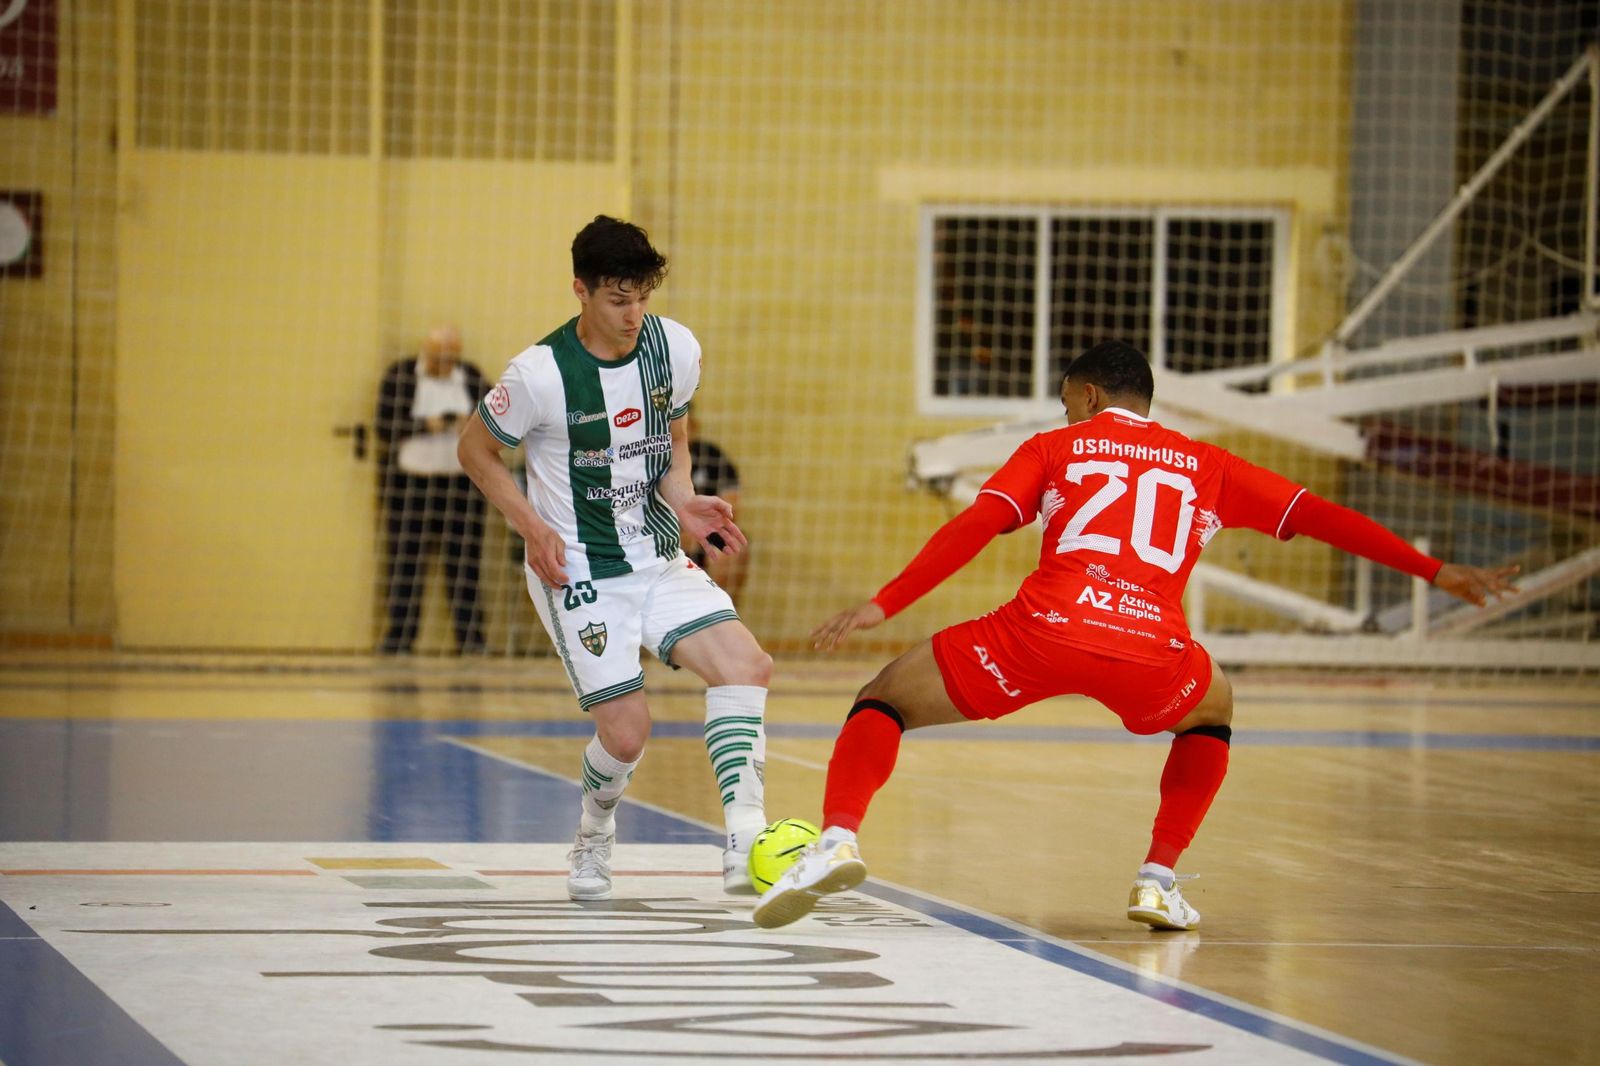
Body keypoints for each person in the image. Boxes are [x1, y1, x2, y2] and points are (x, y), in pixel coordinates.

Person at [753, 340, 1520, 931]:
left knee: (882, 699)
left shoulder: (1056, 448)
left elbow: (978, 525)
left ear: (1087, 396)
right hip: (1152, 649)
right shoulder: (1204, 463)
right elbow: (1322, 515)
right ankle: (1158, 877)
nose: (1062, 416)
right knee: (1213, 711)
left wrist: (885, 603)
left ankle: (838, 841)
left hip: (1038, 633)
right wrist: (1432, 568)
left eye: (1064, 404)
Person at [457, 215, 771, 900]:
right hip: (579, 569)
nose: (633, 315)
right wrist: (531, 526)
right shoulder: (538, 374)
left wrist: (683, 498)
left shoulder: (674, 349)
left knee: (748, 665)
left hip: (656, 554)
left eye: (643, 298)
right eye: (617, 300)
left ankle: (747, 841)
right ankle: (593, 834)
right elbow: (474, 450)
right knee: (627, 736)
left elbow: (675, 441)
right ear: (581, 290)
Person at [375, 323, 489, 655]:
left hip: (460, 488)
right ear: (426, 353)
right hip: (410, 487)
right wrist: (426, 424)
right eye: (438, 358)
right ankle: (399, 638)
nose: (444, 365)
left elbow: (496, 417)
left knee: (464, 565)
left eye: (450, 359)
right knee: (404, 564)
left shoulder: (470, 375)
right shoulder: (400, 375)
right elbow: (383, 424)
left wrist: (469, 421)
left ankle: (471, 641)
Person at [682, 408, 750, 604]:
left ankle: (721, 616)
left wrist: (697, 533)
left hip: (703, 537)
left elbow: (732, 507)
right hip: (662, 540)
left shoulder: (711, 457)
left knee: (733, 547)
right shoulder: (650, 461)